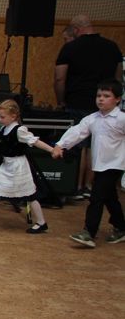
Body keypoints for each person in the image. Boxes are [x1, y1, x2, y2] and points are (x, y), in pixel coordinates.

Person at [54, 14, 124, 197]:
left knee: (79, 145)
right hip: (106, 106)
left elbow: (60, 78)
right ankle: (91, 185)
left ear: (76, 29)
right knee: (96, 145)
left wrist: (60, 101)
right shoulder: (112, 47)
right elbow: (118, 78)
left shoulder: (70, 48)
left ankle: (75, 186)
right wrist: (112, 99)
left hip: (77, 101)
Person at [52, 80, 125, 248]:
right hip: (100, 164)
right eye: (99, 96)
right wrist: (60, 145)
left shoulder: (121, 119)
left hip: (115, 164)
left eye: (106, 96)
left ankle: (88, 233)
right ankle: (121, 227)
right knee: (109, 197)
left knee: (96, 197)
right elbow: (77, 131)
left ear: (117, 99)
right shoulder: (92, 118)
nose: (101, 99)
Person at [0, 99, 56, 233]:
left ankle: (41, 222)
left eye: (2, 117)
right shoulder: (4, 128)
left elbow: (35, 141)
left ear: (13, 116)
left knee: (30, 195)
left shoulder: (19, 130)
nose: (0, 119)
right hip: (6, 165)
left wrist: (52, 150)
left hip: (19, 166)